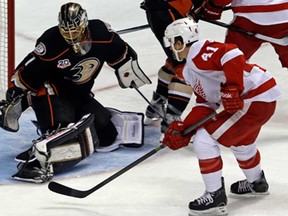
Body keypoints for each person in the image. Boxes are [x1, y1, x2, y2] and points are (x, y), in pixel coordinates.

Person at [0, 2, 151, 183]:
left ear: (84, 23)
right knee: (62, 133)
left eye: (74, 30)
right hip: (52, 93)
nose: (71, 36)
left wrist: (127, 69)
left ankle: (58, 132)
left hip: (80, 95)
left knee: (107, 137)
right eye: (66, 31)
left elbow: (122, 53)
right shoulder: (51, 41)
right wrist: (16, 94)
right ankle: (39, 156)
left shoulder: (101, 33)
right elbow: (28, 72)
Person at [162, 17, 282, 215]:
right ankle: (256, 182)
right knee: (241, 141)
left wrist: (232, 88)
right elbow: (206, 104)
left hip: (254, 98)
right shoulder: (191, 68)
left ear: (180, 40)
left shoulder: (198, 51)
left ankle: (215, 196)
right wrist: (184, 129)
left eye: (172, 43)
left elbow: (232, 53)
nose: (171, 49)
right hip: (259, 98)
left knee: (204, 138)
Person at [140, 0, 205, 132]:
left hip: (163, 8)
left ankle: (157, 105)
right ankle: (171, 121)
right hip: (169, 8)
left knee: (175, 60)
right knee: (187, 65)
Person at [190, 0, 288, 68]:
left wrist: (212, 7)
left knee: (232, 58)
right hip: (285, 17)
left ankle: (231, 91)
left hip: (250, 19)